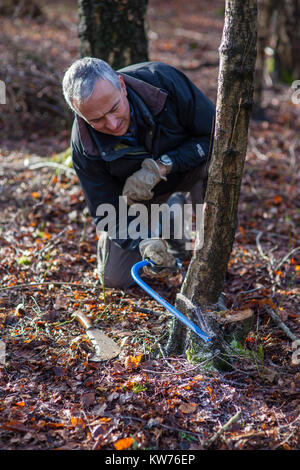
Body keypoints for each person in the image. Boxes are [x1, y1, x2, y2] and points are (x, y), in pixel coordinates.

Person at [62, 58, 215, 288]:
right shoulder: (84, 145)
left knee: (215, 166)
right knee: (115, 279)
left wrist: (164, 164)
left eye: (114, 108)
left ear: (122, 86)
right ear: (81, 115)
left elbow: (216, 136)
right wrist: (142, 240)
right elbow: (106, 210)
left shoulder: (163, 83)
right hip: (138, 201)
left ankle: (209, 257)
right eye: (97, 120)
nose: (112, 124)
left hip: (188, 172)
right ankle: (166, 219)